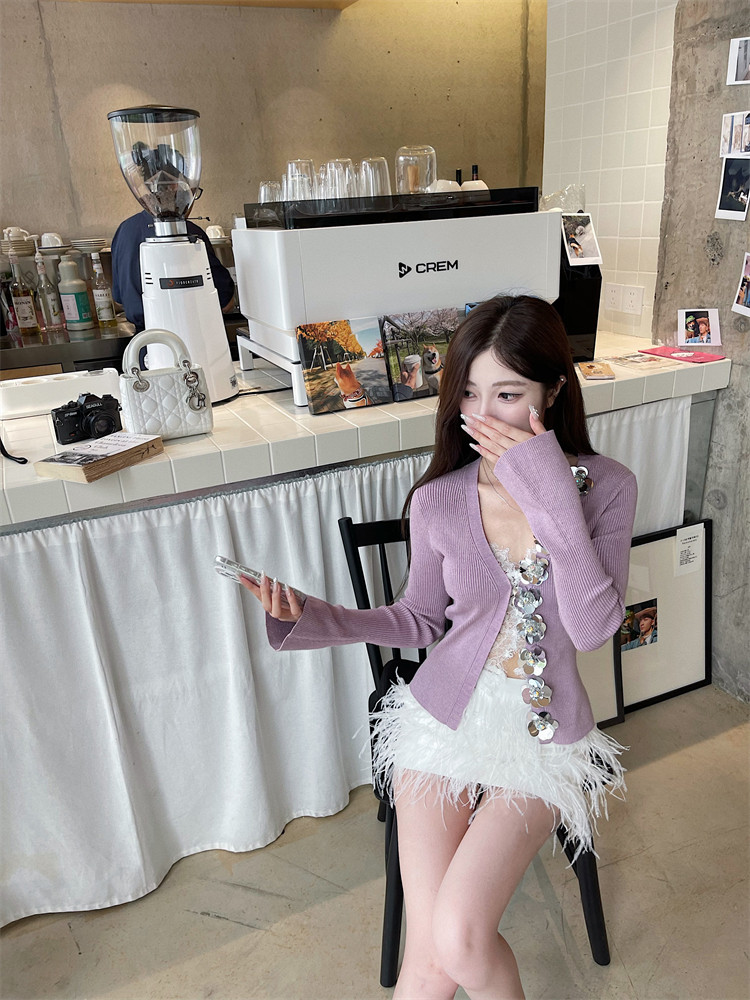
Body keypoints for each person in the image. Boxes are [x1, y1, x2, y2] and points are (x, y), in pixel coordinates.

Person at [241, 295, 638, 999]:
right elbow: (421, 620)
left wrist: (550, 494)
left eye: (508, 394)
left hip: (543, 737)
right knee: (428, 961)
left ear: (554, 390)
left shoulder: (607, 488)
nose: (483, 416)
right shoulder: (439, 501)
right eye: (469, 394)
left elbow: (591, 628)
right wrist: (320, 617)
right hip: (440, 719)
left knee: (459, 935)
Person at [110, 197, 235, 332]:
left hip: (144, 338)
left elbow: (119, 300)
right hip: (192, 334)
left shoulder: (124, 230)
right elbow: (225, 303)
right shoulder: (189, 233)